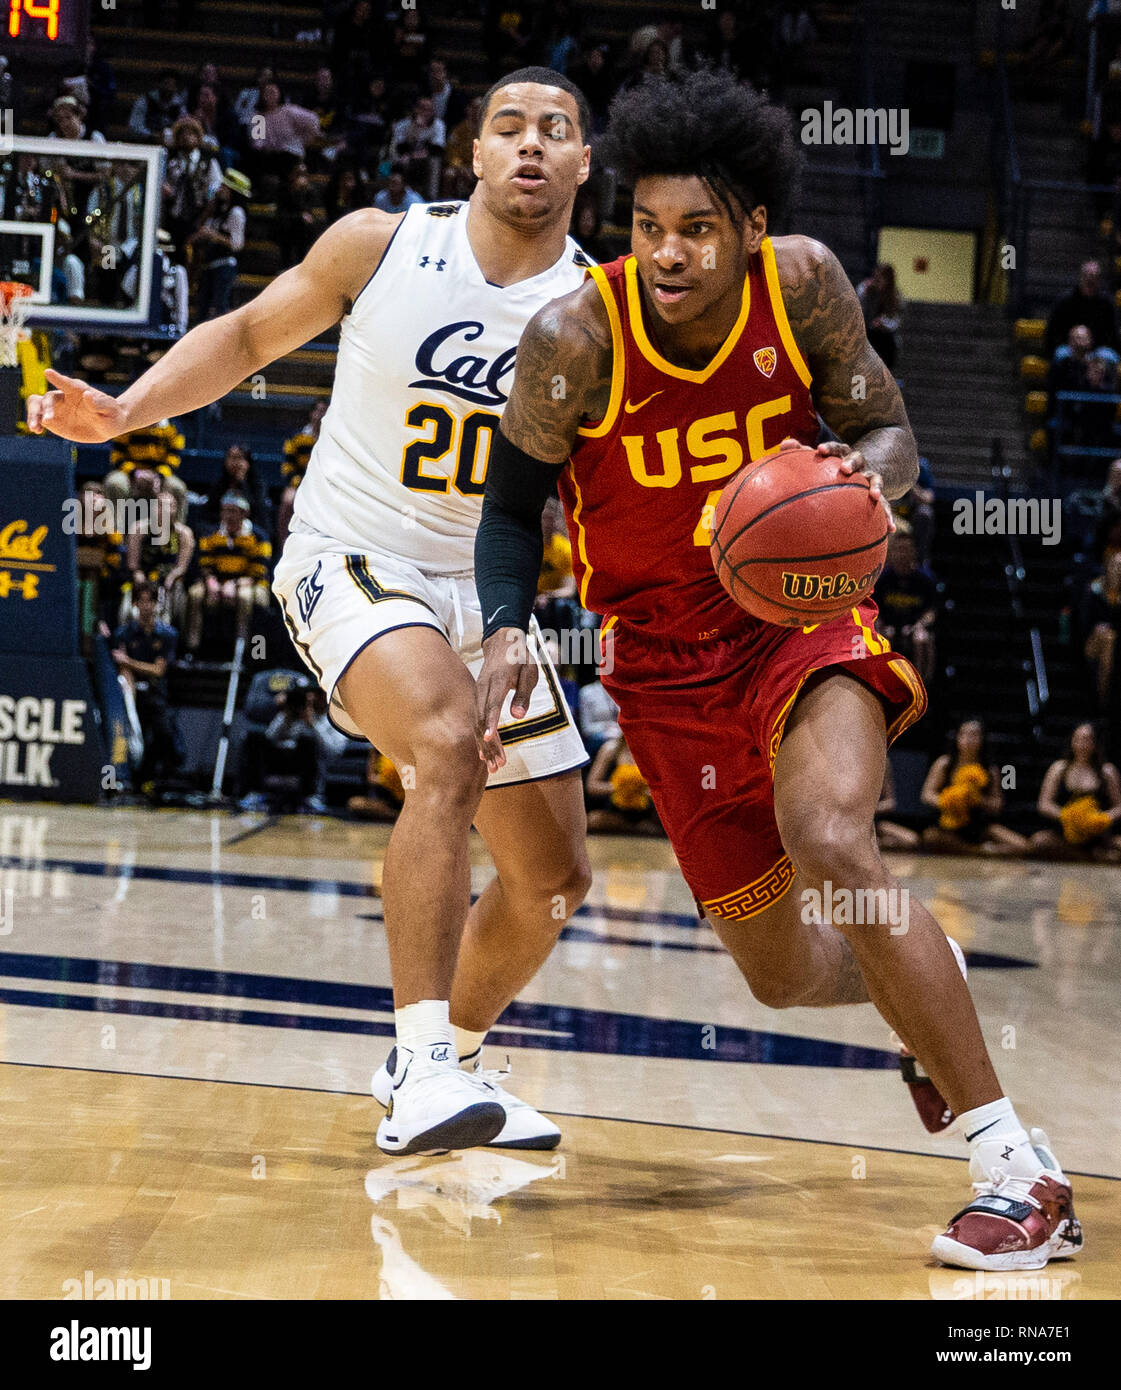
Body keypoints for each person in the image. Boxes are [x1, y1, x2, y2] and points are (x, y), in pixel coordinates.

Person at [473, 69, 1081, 1273]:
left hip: (799, 620)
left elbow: (889, 427)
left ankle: (1017, 1168)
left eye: (696, 229)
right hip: (658, 668)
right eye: (647, 228)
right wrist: (505, 625)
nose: (668, 254)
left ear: (750, 227)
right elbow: (508, 512)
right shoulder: (574, 337)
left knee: (833, 839)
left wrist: (871, 479)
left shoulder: (800, 284)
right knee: (783, 973)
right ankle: (928, 980)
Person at [27, 68, 597, 1161]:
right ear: (470, 153)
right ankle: (420, 1061)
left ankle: (452, 1064)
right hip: (351, 558)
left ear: (582, 164)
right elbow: (245, 337)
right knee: (444, 746)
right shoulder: (378, 245)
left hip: (490, 595)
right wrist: (129, 407)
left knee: (552, 877)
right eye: (508, 127)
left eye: (555, 131)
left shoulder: (595, 313)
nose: (530, 146)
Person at [920, 720, 1029, 856]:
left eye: (974, 735)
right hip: (950, 824)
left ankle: (977, 850)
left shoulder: (990, 769)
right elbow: (927, 794)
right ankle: (979, 851)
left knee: (1023, 846)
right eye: (964, 734)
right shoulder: (944, 763)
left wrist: (977, 799)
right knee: (930, 837)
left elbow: (997, 805)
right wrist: (950, 800)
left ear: (982, 739)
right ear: (957, 738)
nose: (968, 740)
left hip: (979, 825)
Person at [112, 580, 182, 788]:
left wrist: (130, 662)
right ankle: (129, 779)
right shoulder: (123, 634)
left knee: (164, 731)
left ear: (157, 604)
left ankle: (156, 779)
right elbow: (122, 668)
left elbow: (158, 670)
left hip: (155, 693)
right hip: (130, 694)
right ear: (134, 604)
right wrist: (130, 668)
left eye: (150, 602)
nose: (146, 607)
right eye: (141, 602)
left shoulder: (167, 634)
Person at [186, 493, 271, 652]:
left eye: (233, 511)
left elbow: (259, 571)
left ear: (244, 513)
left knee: (244, 597)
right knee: (194, 594)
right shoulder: (211, 534)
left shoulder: (259, 536)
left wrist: (234, 584)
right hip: (217, 581)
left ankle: (242, 650)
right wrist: (212, 583)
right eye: (225, 511)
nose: (228, 516)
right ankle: (192, 649)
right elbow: (205, 564)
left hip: (251, 583)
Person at [1030, 722, 1121, 861]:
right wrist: (1069, 816)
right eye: (1078, 739)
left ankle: (1096, 854)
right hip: (1066, 833)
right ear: (1072, 741)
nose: (1082, 744)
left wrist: (1101, 819)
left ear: (1095, 743)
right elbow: (1044, 804)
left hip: (1097, 833)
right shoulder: (1059, 768)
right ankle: (1093, 857)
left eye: (1087, 739)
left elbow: (1119, 807)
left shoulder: (1107, 771)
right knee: (1039, 841)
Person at [872, 531, 937, 682]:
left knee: (921, 639)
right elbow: (873, 609)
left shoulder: (925, 579)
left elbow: (931, 611)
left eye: (907, 549)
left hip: (914, 627)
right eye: (899, 549)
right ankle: (882, 683)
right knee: (881, 637)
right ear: (892, 553)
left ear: (914, 552)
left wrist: (919, 625)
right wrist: (879, 624)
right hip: (888, 626)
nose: (903, 554)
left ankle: (921, 685)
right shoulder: (882, 578)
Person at [189, 169, 250, 322]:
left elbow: (237, 244)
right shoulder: (217, 210)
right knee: (202, 305)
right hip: (209, 265)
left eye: (225, 187)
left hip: (224, 266)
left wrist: (214, 236)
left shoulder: (236, 213)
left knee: (219, 307)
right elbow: (200, 226)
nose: (220, 190)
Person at [1045, 260, 1119, 360]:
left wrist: (1091, 345)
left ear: (1099, 279)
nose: (1090, 280)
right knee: (1061, 355)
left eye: (1094, 277)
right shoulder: (1065, 302)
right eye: (1087, 276)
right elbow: (1053, 332)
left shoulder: (1107, 304)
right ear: (1081, 277)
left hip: (1098, 350)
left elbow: (1112, 334)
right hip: (1069, 349)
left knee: (1109, 357)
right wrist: (1074, 344)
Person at [857, 263, 902, 371]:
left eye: (881, 279)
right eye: (876, 278)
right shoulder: (868, 291)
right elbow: (856, 304)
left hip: (885, 340)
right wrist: (863, 288)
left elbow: (895, 321)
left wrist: (883, 323)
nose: (878, 282)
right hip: (868, 336)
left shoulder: (895, 297)